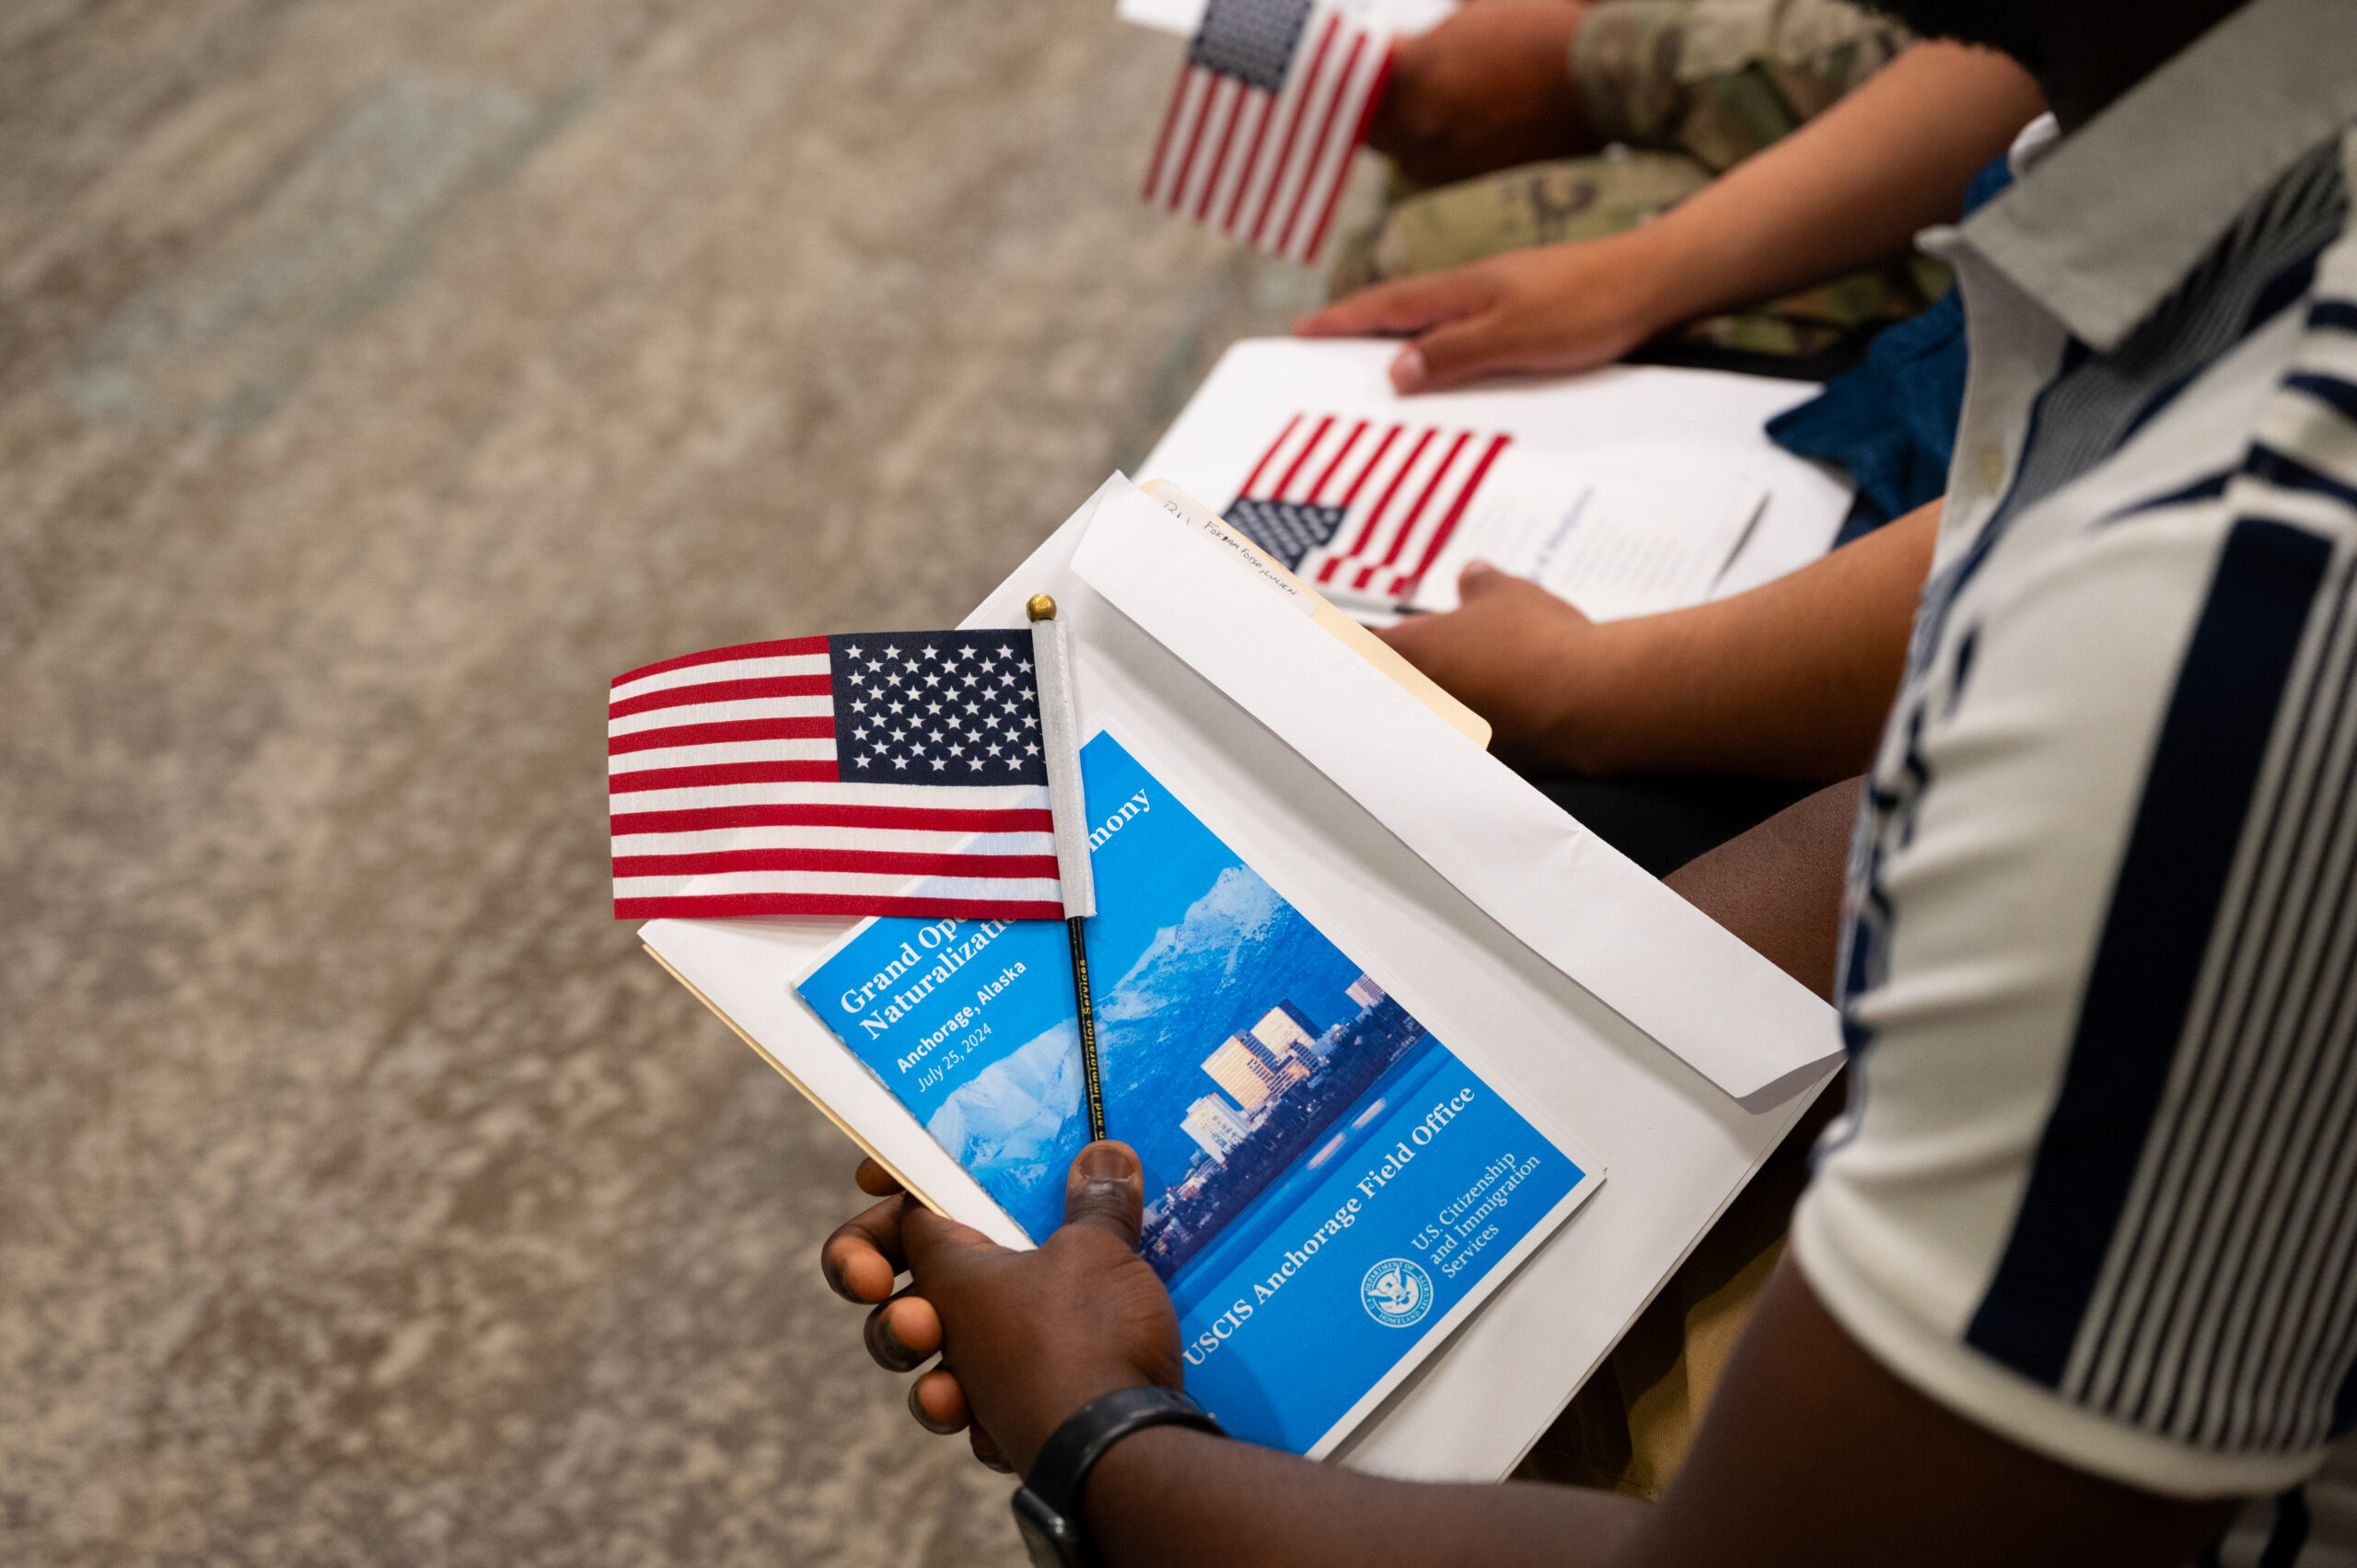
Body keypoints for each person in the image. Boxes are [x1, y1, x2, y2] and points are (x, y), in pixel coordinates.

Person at [826, 2, 2357, 1562]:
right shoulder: (2258, 262)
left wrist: (1099, 1440)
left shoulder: (2234, 600)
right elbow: (1963, 780)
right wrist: (1530, 1022)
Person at [1329, 2, 2040, 374]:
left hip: (1985, 194)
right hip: (1961, 70)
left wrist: (1592, 59)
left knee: (1408, 268)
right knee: (1428, 143)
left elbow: (2017, 58)